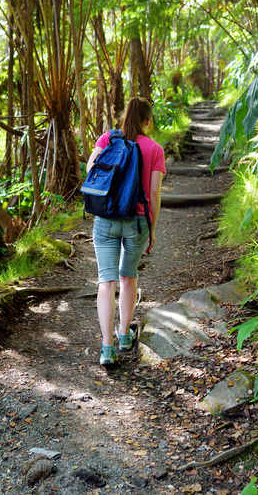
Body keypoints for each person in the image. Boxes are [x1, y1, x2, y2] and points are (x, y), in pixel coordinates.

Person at [85, 97, 165, 366]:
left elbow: (90, 171)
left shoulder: (107, 138)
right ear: (148, 120)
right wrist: (152, 229)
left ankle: (106, 349)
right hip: (137, 221)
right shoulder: (155, 149)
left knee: (106, 282)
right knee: (128, 277)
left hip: (105, 219)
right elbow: (153, 192)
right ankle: (123, 335)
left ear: (123, 117)